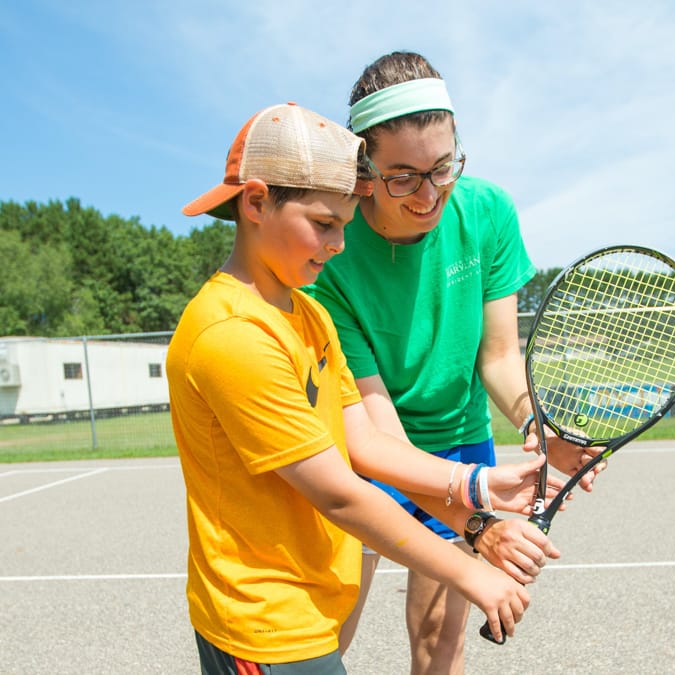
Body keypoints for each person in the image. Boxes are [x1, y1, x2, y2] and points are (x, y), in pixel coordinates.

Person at [168, 102, 558, 674]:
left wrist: (478, 494)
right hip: (262, 621)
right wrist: (472, 569)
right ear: (254, 202)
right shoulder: (234, 335)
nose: (339, 244)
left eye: (345, 226)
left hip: (308, 606)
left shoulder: (308, 314)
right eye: (324, 224)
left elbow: (368, 448)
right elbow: (339, 493)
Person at [306, 52, 606, 673]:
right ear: (364, 171)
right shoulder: (329, 249)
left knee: (442, 637)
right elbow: (376, 427)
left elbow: (498, 355)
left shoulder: (487, 211)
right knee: (328, 634)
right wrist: (474, 512)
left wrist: (535, 423)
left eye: (443, 168)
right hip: (369, 445)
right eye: (403, 177)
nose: (430, 193)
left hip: (463, 441)